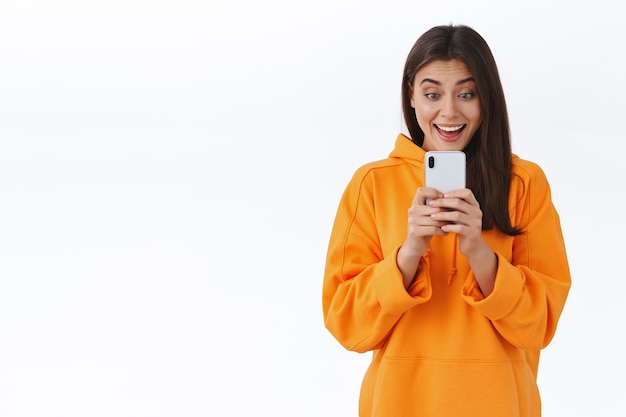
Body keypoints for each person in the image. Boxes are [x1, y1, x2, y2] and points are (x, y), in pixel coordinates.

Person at [322, 24, 571, 417]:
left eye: (467, 94)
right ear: (412, 96)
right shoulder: (372, 183)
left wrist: (477, 249)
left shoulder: (524, 183)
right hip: (398, 404)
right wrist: (409, 253)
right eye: (432, 93)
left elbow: (540, 326)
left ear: (486, 98)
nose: (449, 112)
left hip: (500, 404)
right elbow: (347, 324)